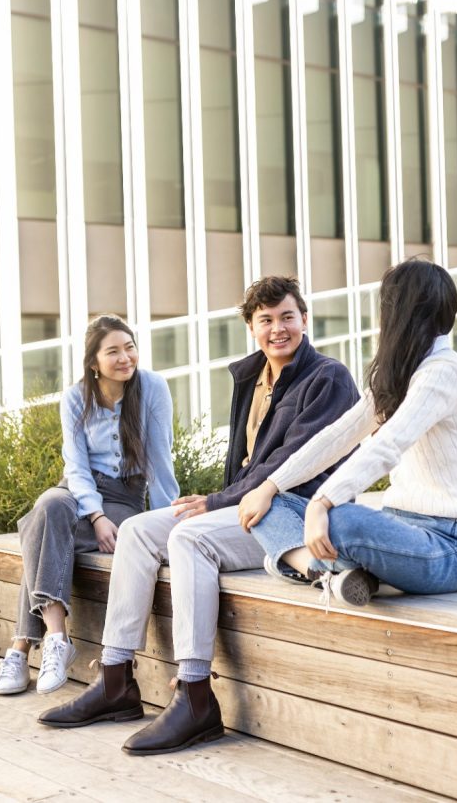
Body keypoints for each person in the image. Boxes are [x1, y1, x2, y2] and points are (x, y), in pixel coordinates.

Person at [38, 276, 359, 756]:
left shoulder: (327, 378)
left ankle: (195, 696)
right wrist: (210, 499)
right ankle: (115, 680)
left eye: (287, 317)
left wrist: (213, 503)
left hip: (294, 514)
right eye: (266, 320)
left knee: (189, 539)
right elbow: (247, 467)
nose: (278, 329)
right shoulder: (252, 378)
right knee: (139, 530)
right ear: (251, 327)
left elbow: (291, 464)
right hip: (249, 506)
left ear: (305, 320)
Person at [238, 258, 457, 609]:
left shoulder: (442, 373)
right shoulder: (400, 373)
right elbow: (338, 435)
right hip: (397, 527)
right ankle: (332, 574)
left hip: (449, 547)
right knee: (266, 502)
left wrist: (322, 503)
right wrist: (270, 486)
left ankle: (304, 566)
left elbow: (388, 445)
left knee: (340, 519)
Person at [0, 315, 179, 697]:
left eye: (129, 347)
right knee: (48, 508)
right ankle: (58, 639)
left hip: (125, 497)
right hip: (78, 492)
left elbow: (161, 463)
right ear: (94, 362)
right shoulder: (76, 397)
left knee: (38, 532)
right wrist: (94, 516)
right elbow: (75, 467)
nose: (125, 357)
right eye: (113, 351)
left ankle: (21, 646)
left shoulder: (153, 388)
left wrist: (168, 524)